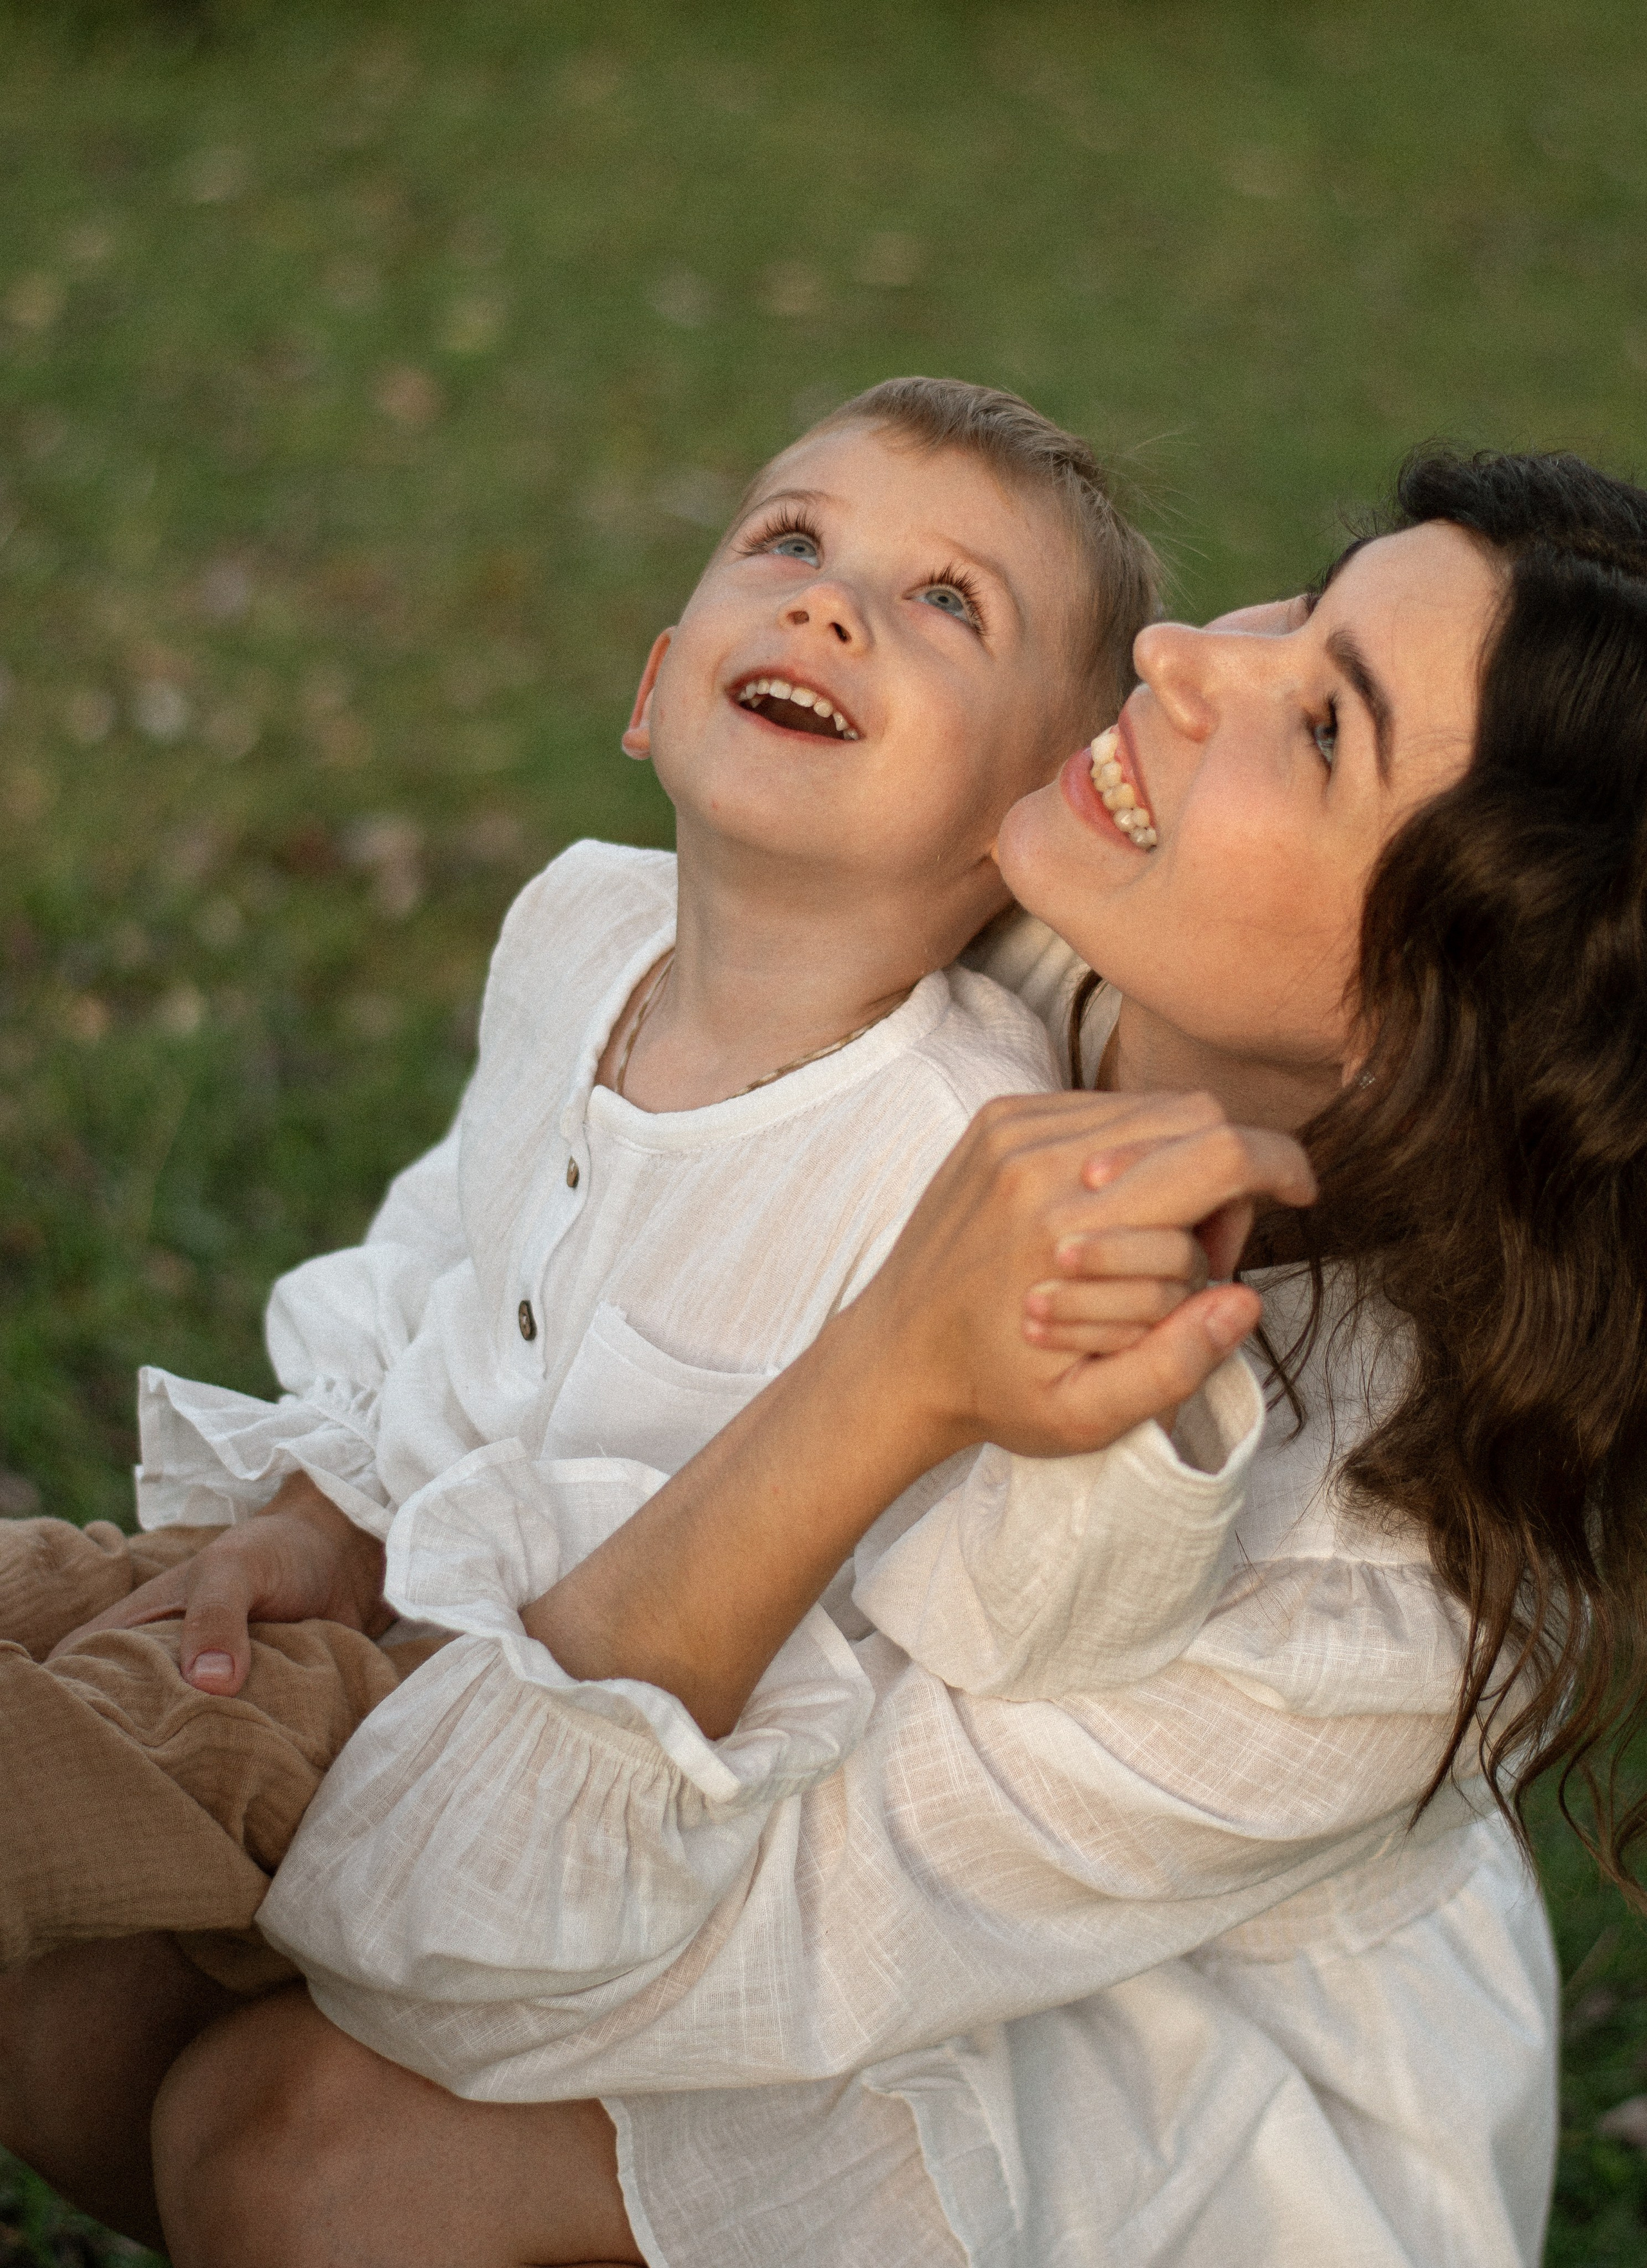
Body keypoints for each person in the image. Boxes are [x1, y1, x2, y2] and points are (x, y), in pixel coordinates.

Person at [14, 445, 1645, 2266]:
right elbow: (505, 1209)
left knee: (305, 2148)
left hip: (1125, 2083)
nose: (1184, 652)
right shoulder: (980, 907)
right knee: (71, 1975)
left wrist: (893, 1375)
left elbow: (478, 1976)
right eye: (1300, 609)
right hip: (644, 1784)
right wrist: (339, 1504)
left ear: (1449, 1021)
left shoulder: (1375, 1593)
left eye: (1322, 726)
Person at [0, 377, 1223, 1988]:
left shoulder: (951, 1136)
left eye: (944, 602)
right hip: (361, 1595)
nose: (825, 603)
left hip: (531, 1747)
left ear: (1030, 822)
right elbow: (450, 1243)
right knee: (39, 1594)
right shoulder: (577, 930)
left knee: (48, 1771)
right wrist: (326, 1513)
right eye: (791, 538)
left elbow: (996, 1594)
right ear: (654, 690)